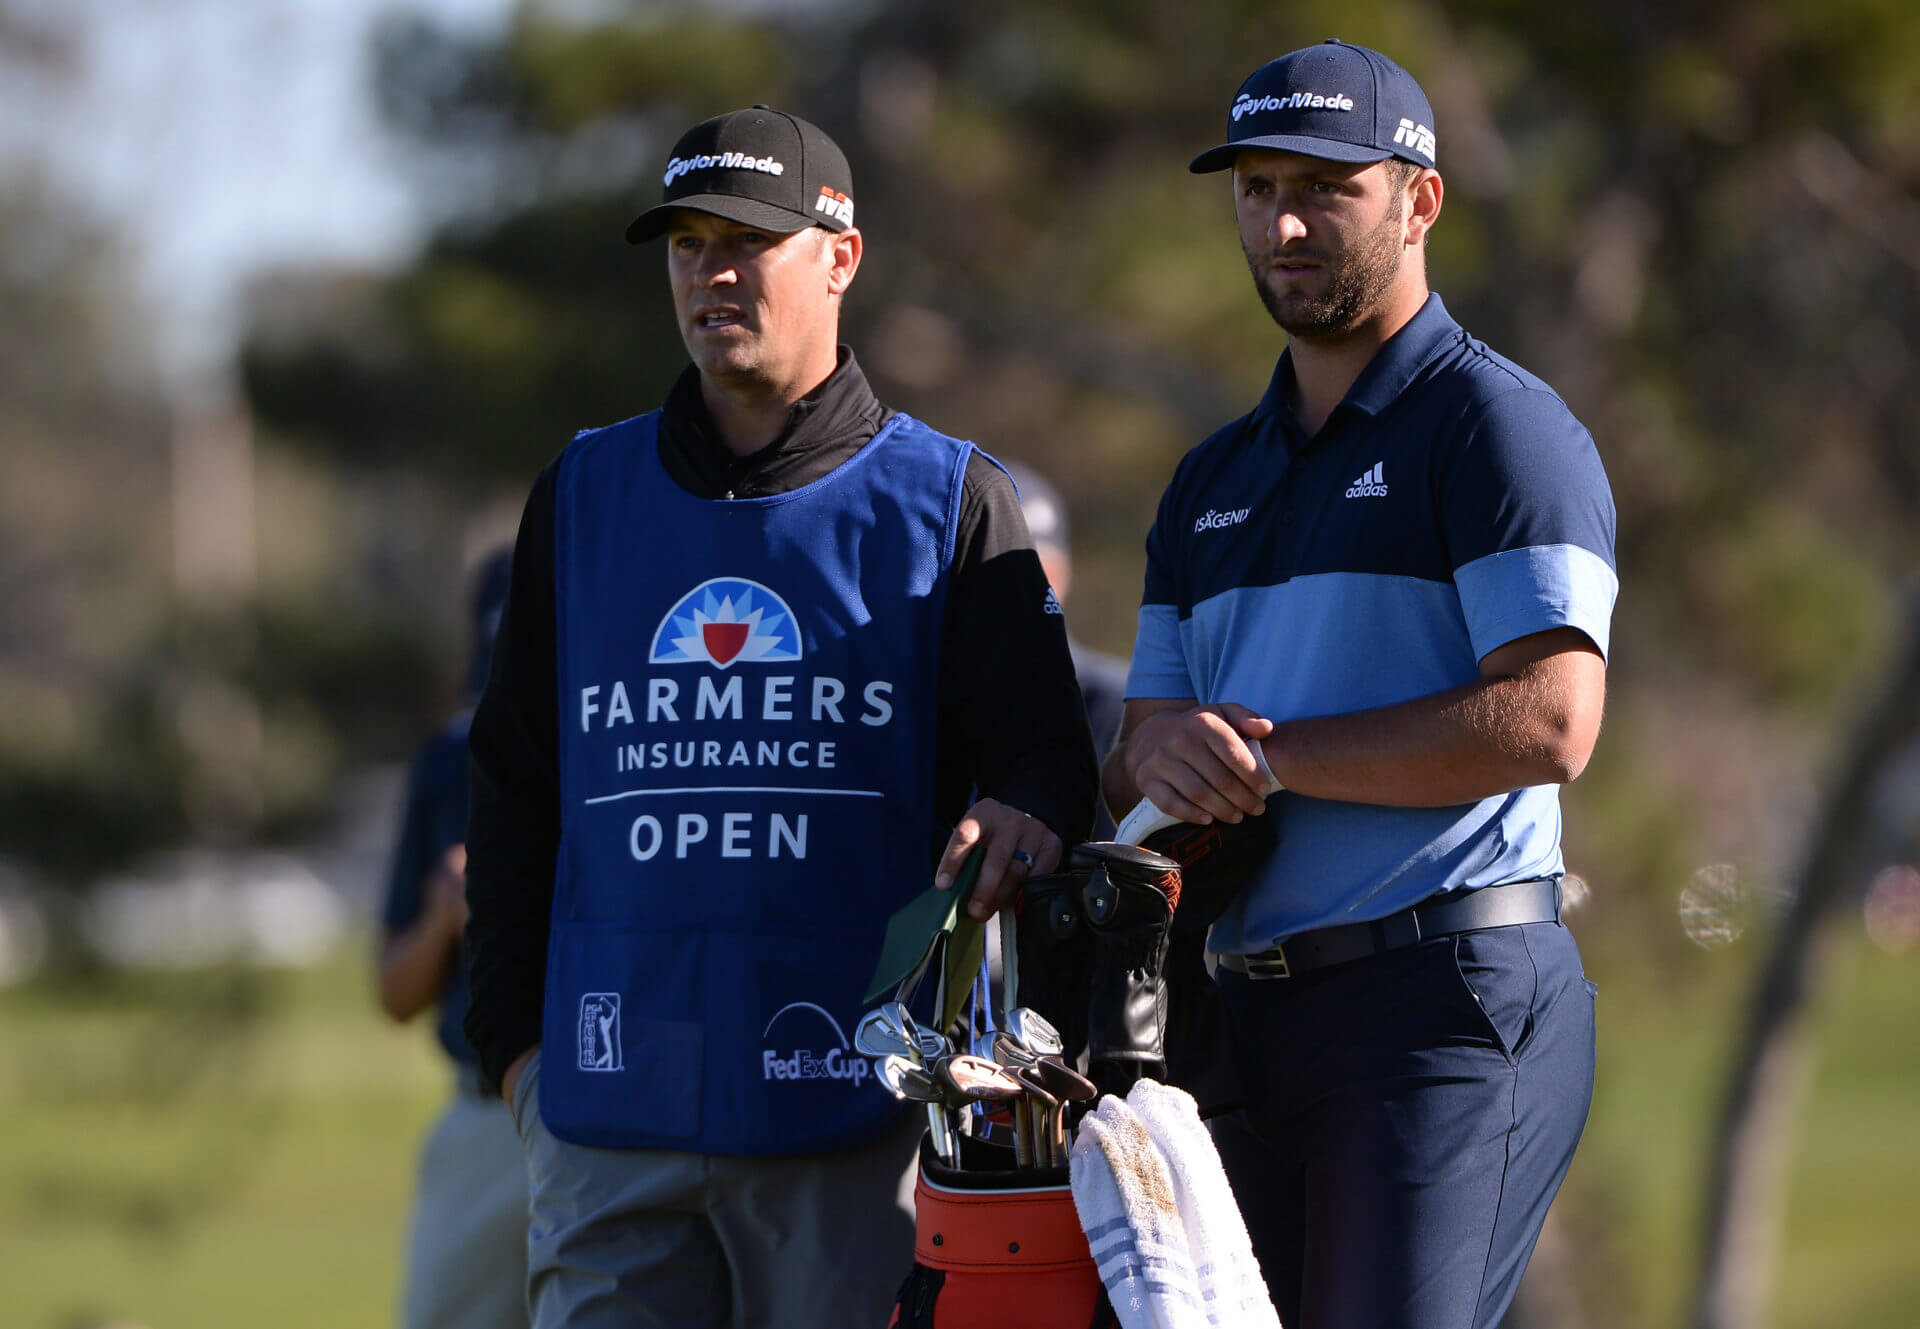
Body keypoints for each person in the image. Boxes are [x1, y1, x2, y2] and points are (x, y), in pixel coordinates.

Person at [462, 106, 1097, 1329]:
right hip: (605, 1121)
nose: (712, 272)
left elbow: (1049, 768)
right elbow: (513, 790)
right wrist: (516, 1058)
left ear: (840, 257)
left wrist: (1020, 818)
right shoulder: (582, 494)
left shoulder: (949, 500)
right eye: (688, 244)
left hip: (849, 1130)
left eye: (747, 241)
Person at [1102, 41, 1617, 1329]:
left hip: (1440, 1003)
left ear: (1419, 200)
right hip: (1240, 1024)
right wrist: (1167, 759)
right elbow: (1143, 743)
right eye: (1257, 189)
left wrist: (1274, 759)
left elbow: (1552, 720)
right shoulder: (1209, 480)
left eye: (1324, 189)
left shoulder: (1495, 427)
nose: (1282, 224)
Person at [376, 548, 528, 1329]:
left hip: (614, 1113)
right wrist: (445, 916)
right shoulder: (447, 761)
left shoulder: (626, 747)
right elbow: (394, 993)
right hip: (484, 1122)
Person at [1004, 461, 1128, 839]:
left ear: (1063, 571)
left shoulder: (1117, 704)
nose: (1022, 588)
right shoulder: (922, 700)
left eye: (1038, 566)